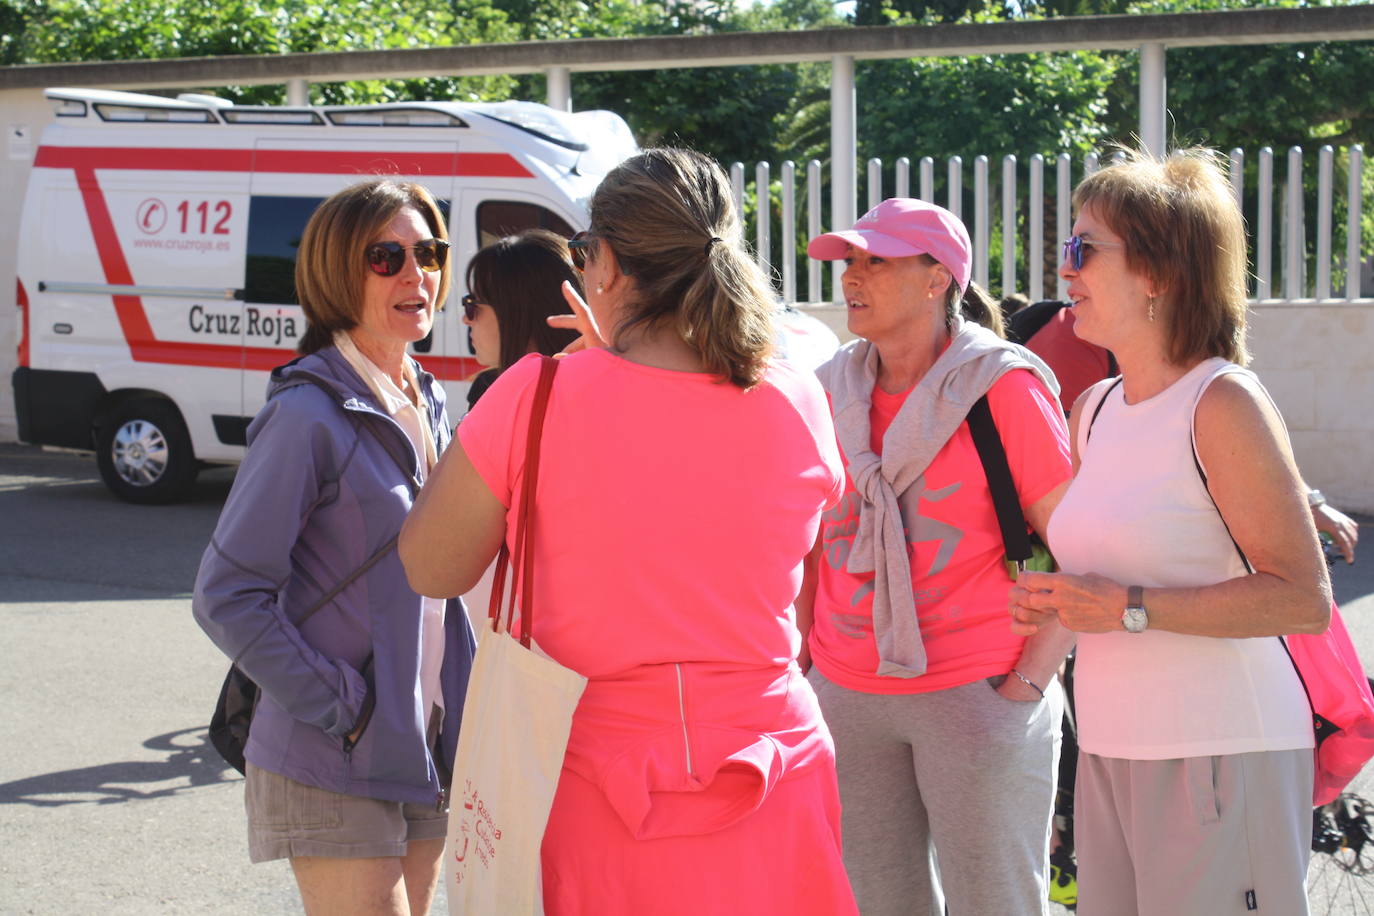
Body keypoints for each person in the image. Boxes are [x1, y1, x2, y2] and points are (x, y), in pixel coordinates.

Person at [398, 147, 858, 914]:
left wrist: (582, 373)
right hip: (775, 773)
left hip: (588, 787)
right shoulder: (796, 398)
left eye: (584, 255)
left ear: (604, 263)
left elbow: (430, 565)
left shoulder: (535, 396)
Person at [1009, 147, 1332, 916]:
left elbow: (1303, 600)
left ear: (1156, 273)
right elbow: (1103, 586)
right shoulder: (1092, 409)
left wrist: (1125, 604)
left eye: (1083, 250)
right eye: (1066, 249)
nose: (1065, 271)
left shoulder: (1222, 403)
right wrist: (1051, 616)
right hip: (1111, 751)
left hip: (1220, 754)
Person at [193, 178, 476, 916]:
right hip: (335, 749)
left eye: (430, 251)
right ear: (336, 274)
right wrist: (343, 705)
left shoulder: (428, 398)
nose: (418, 273)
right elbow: (227, 594)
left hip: (423, 739)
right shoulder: (306, 416)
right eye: (388, 256)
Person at [799, 196, 1075, 916]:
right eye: (849, 261)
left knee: (997, 905)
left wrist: (1025, 690)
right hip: (848, 692)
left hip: (977, 690)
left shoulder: (1001, 386)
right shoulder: (828, 390)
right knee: (871, 905)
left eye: (875, 261)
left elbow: (1077, 547)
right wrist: (809, 665)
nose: (851, 277)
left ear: (936, 279)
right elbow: (808, 540)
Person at [460, 228, 581, 410]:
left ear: (517, 313)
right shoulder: (487, 386)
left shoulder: (494, 392)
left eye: (471, 304)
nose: (465, 319)